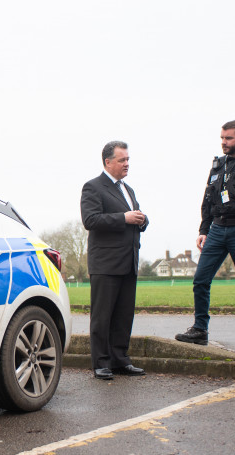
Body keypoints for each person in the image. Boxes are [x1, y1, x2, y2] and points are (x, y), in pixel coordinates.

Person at [175, 121, 235, 357]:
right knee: (200, 280)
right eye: (222, 138)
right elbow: (208, 198)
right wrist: (203, 229)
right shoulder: (218, 164)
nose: (224, 142)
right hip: (217, 229)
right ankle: (199, 329)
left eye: (228, 138)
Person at [81, 141, 149, 380]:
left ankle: (120, 360)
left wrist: (141, 218)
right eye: (122, 160)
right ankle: (100, 363)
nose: (127, 164)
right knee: (103, 316)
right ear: (108, 162)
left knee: (123, 315)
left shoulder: (127, 190)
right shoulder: (93, 187)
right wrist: (124, 217)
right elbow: (91, 220)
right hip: (105, 264)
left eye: (128, 159)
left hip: (128, 261)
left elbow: (134, 215)